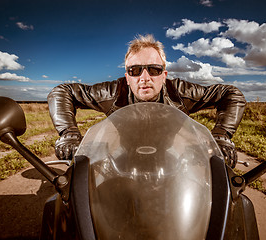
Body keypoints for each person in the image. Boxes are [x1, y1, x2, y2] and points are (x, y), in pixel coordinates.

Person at [47, 34, 246, 168]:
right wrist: (69, 134)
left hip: (171, 161)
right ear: (127, 76)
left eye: (153, 69)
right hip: (122, 161)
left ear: (164, 74)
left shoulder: (180, 92)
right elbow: (62, 92)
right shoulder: (114, 92)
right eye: (135, 70)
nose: (144, 77)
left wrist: (221, 137)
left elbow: (231, 94)